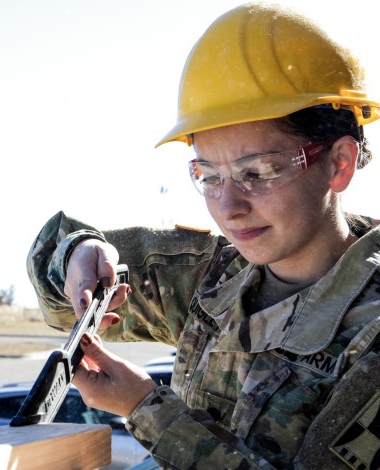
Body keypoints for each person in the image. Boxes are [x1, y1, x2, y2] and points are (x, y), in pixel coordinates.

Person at [26, 2, 380, 469]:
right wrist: (78, 255)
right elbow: (56, 294)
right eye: (209, 175)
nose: (229, 208)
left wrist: (147, 408)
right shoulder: (213, 279)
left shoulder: (369, 335)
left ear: (339, 163)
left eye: (259, 170)